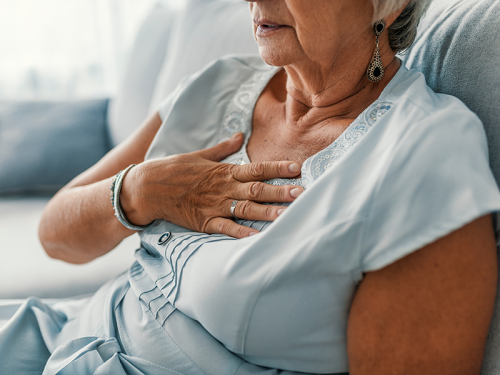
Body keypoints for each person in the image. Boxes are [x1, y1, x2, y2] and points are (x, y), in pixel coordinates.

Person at [2, 0, 500, 374]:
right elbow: (55, 235)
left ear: (384, 7)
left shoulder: (423, 155)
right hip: (55, 338)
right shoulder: (217, 83)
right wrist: (141, 190)